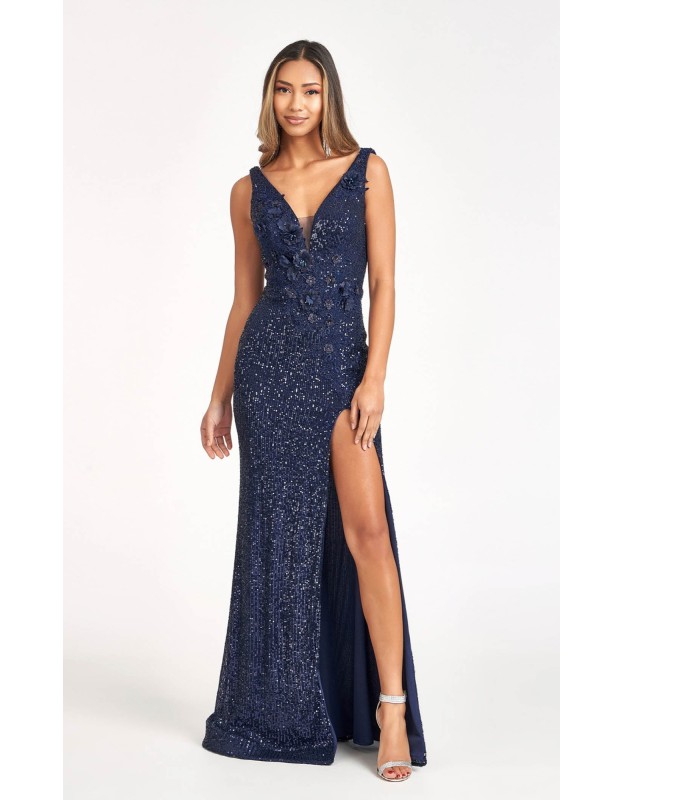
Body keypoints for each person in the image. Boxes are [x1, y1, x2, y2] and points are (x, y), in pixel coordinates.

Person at [199, 40, 428, 782]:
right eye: (284, 90)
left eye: (310, 90)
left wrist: (375, 379)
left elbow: (384, 285)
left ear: (329, 97)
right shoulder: (248, 191)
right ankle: (282, 707)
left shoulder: (367, 172)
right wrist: (219, 395)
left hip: (340, 371)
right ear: (270, 98)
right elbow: (244, 301)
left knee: (367, 533)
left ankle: (390, 710)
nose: (296, 103)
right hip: (267, 376)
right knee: (278, 540)